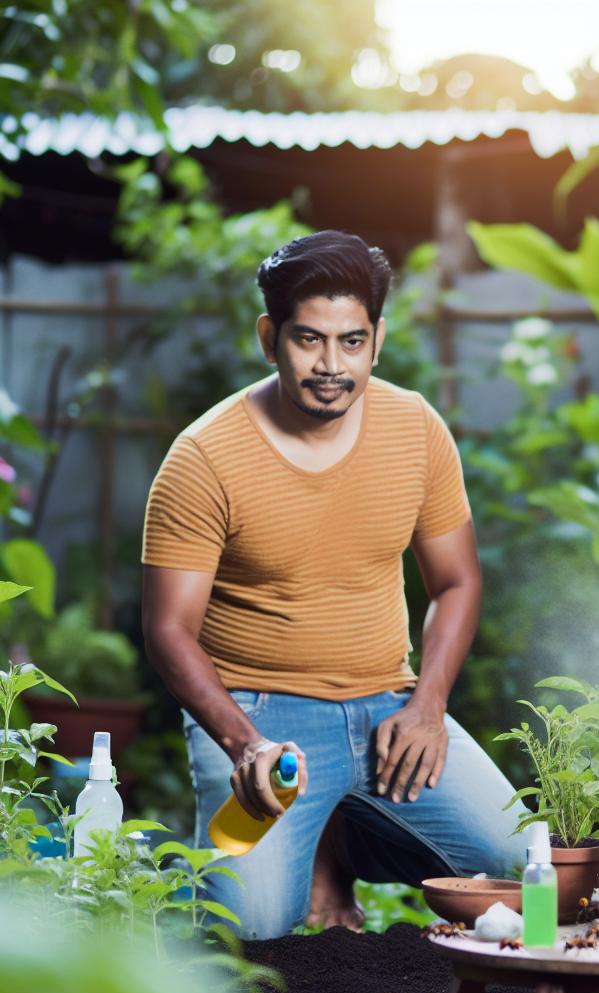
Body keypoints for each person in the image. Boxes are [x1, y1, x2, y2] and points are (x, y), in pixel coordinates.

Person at [141, 230, 524, 939]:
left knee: (524, 864)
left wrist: (429, 705)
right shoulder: (204, 456)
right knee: (245, 927)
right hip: (261, 723)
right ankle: (252, 852)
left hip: (389, 709)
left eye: (352, 342)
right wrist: (242, 743)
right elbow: (168, 630)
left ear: (377, 339)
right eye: (308, 340)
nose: (330, 365)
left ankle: (337, 836)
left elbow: (456, 582)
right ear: (269, 336)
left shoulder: (415, 428)